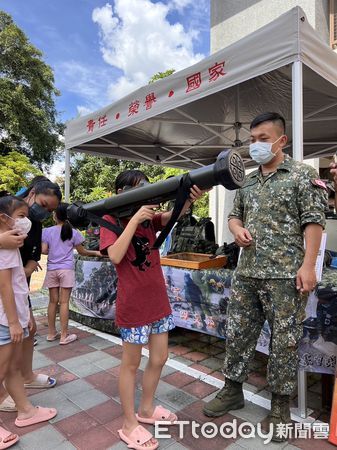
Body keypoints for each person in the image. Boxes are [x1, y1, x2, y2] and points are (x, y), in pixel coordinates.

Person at [203, 112, 327, 442]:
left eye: (263, 138)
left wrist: (309, 265)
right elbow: (232, 215)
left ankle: (279, 407)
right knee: (239, 333)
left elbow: (314, 222)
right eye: (252, 139)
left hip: (286, 276)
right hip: (247, 273)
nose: (256, 145)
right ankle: (232, 390)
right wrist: (237, 229)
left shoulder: (303, 175)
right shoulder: (244, 179)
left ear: (281, 140)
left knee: (283, 342)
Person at [100, 170, 205, 450]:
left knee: (159, 358)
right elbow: (115, 255)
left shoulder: (151, 219)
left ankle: (145, 410)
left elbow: (173, 216)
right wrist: (134, 220)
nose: (146, 193)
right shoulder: (109, 220)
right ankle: (128, 423)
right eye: (138, 188)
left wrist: (188, 199)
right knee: (130, 365)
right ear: (121, 193)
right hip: (133, 306)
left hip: (158, 302)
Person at [0, 177, 62, 412]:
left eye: (50, 211)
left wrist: (19, 274)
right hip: (7, 296)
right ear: (34, 192)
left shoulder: (31, 225)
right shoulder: (5, 209)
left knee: (27, 332)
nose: (44, 212)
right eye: (44, 205)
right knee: (6, 350)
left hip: (16, 290)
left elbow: (31, 261)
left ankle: (25, 380)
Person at [42, 202, 101, 344]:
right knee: (64, 302)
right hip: (66, 270)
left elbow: (43, 250)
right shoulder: (74, 233)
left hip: (52, 269)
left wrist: (54, 251)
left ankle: (51, 334)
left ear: (55, 216)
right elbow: (82, 251)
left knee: (52, 301)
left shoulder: (47, 231)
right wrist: (97, 252)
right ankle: (64, 336)